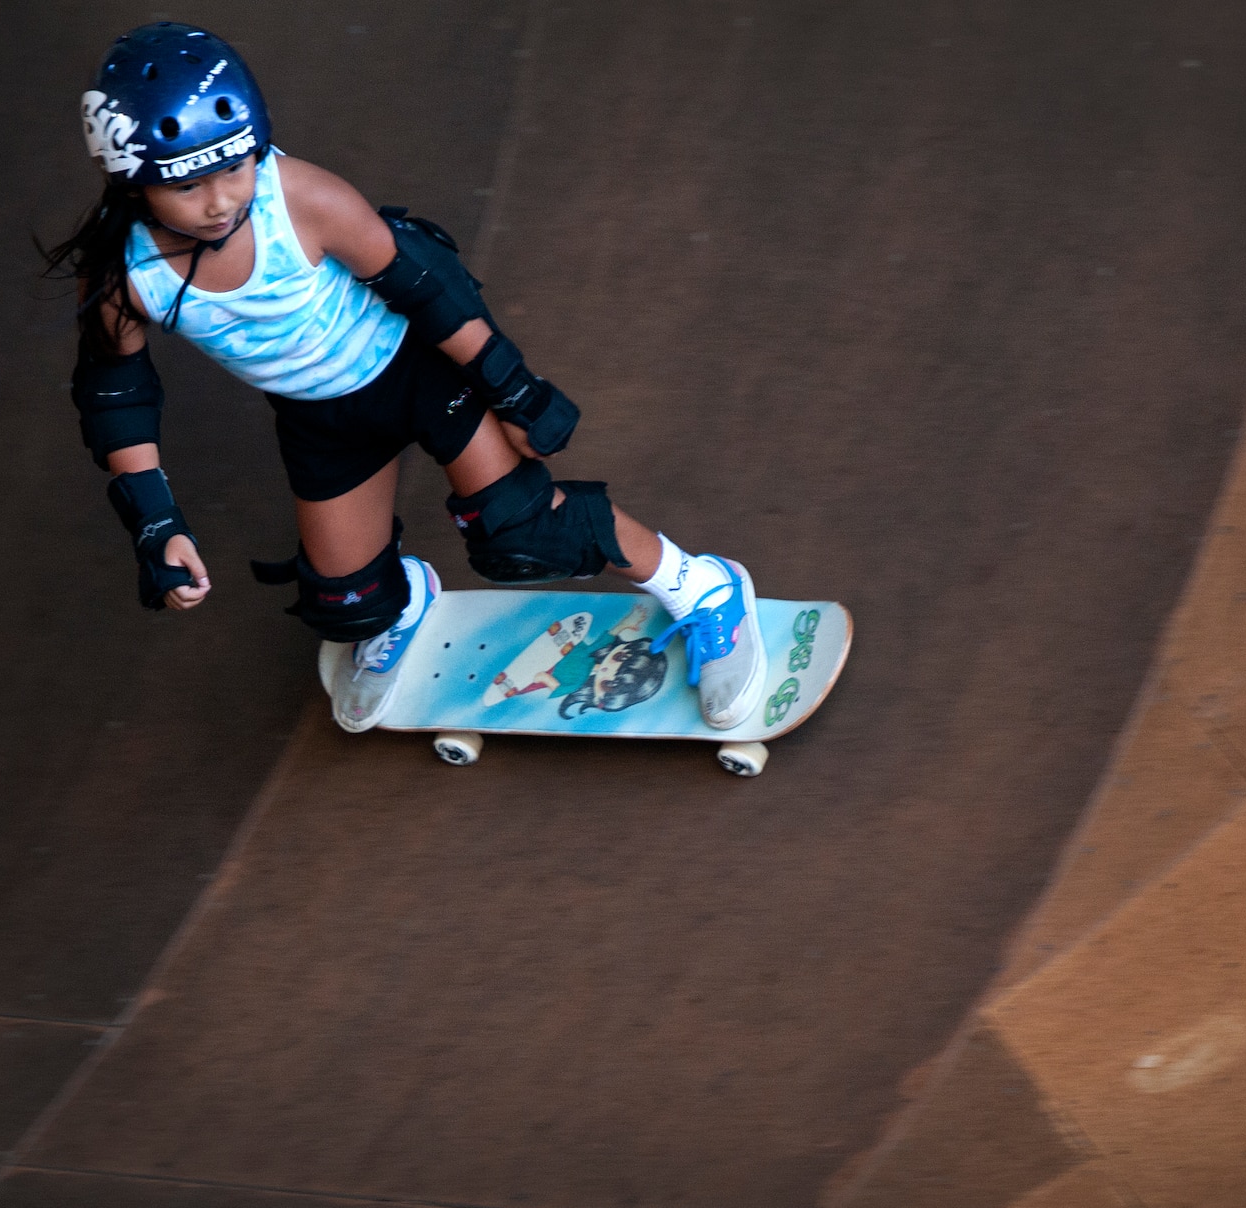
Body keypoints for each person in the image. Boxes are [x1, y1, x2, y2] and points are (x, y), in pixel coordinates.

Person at [47, 21, 766, 733]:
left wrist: (513, 388)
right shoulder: (123, 276)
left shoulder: (298, 200)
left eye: (234, 168)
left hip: (417, 372)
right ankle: (407, 605)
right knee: (350, 606)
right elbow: (117, 394)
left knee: (521, 534)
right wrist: (156, 524)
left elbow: (426, 282)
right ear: (132, 182)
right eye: (189, 184)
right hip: (320, 418)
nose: (220, 201)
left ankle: (703, 589)